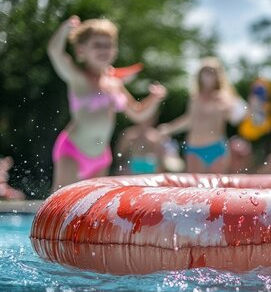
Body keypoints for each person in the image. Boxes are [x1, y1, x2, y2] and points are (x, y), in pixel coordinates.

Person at [47, 16, 166, 190]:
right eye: (97, 45)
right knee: (61, 204)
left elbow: (138, 113)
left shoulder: (114, 84)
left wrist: (154, 99)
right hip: (72, 152)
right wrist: (65, 30)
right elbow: (55, 52)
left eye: (108, 45)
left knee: (92, 209)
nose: (104, 49)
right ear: (81, 50)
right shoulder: (79, 78)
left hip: (101, 157)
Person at [158, 57, 246, 173]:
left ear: (218, 75)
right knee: (194, 188)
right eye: (205, 70)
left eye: (212, 71)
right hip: (194, 148)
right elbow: (189, 120)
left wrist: (230, 102)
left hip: (216, 149)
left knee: (216, 188)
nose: (208, 74)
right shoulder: (195, 98)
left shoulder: (223, 97)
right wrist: (169, 128)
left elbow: (236, 117)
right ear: (199, 74)